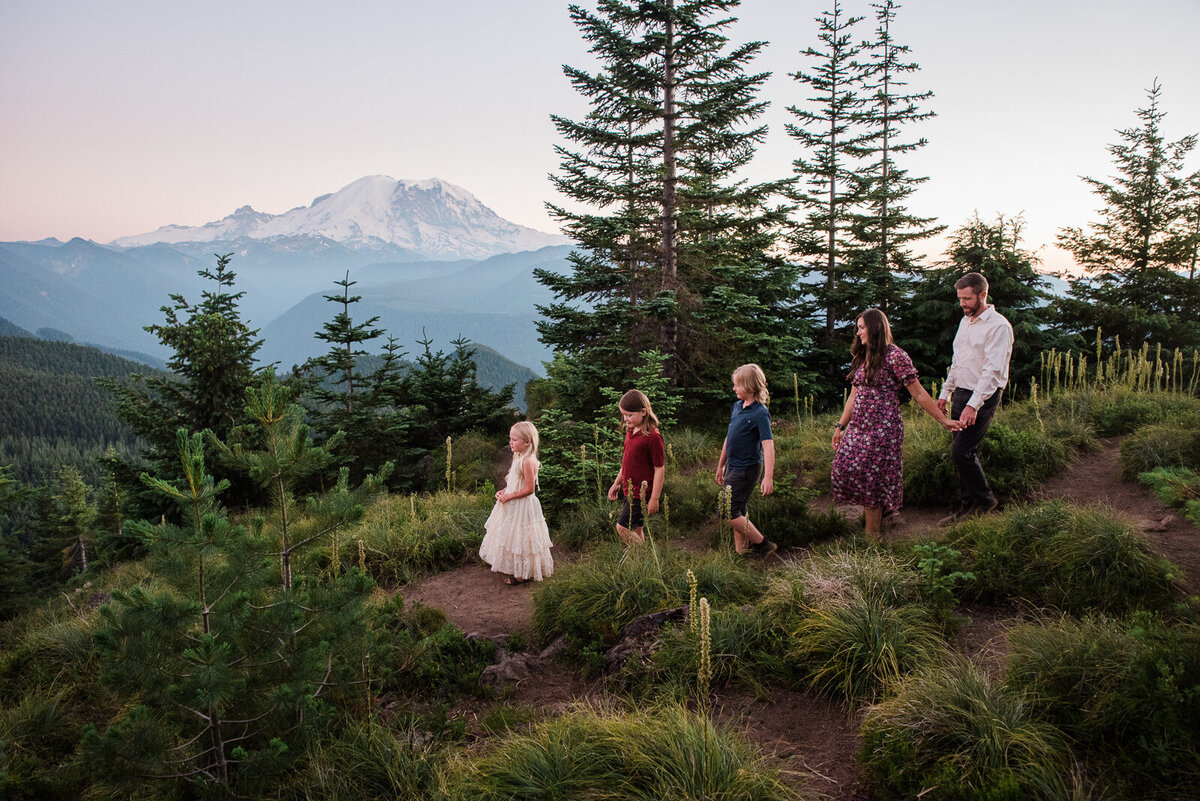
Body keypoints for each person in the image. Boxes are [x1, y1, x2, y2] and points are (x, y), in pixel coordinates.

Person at [831, 309, 962, 539]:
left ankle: (872, 536)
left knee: (873, 477)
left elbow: (918, 393)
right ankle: (885, 513)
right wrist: (840, 426)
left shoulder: (895, 356)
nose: (858, 331)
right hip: (858, 427)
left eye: (862, 327)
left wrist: (943, 420)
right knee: (846, 467)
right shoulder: (864, 355)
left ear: (876, 328)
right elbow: (853, 395)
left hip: (883, 428)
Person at [935, 272, 1014, 524]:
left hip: (983, 396)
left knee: (962, 451)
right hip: (961, 392)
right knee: (961, 453)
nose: (962, 304)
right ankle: (967, 509)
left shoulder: (998, 326)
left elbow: (992, 372)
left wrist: (973, 405)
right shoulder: (965, 322)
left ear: (983, 295)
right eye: (960, 299)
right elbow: (958, 362)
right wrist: (945, 393)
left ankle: (985, 500)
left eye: (967, 299)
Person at [480, 421, 554, 584]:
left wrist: (509, 497)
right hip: (513, 504)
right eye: (510, 439)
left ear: (527, 441)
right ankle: (516, 568)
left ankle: (522, 574)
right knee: (511, 537)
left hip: (523, 506)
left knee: (523, 538)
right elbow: (515, 483)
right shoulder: (518, 457)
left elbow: (529, 489)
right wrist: (505, 491)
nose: (510, 442)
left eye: (514, 440)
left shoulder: (528, 461)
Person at [714, 364, 777, 557]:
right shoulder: (737, 407)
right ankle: (741, 554)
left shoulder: (760, 413)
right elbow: (729, 437)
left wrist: (768, 477)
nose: (734, 389)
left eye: (737, 385)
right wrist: (721, 464)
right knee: (737, 510)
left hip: (748, 468)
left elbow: (768, 446)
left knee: (726, 511)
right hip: (733, 466)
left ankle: (763, 544)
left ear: (750, 387)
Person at [607, 389, 666, 545]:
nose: (626, 419)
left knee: (622, 528)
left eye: (629, 415)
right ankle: (643, 562)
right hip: (629, 489)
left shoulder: (653, 437)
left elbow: (659, 469)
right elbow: (626, 462)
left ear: (643, 412)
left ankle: (640, 556)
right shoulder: (631, 431)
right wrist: (617, 483)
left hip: (641, 493)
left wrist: (654, 498)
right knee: (636, 529)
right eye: (624, 415)